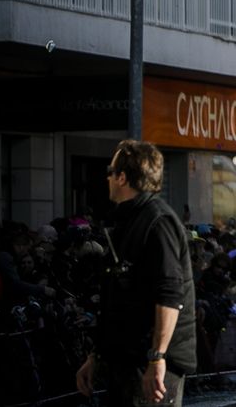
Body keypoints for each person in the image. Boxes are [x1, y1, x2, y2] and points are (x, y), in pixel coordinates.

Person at [76, 140, 196, 407]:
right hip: (127, 360)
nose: (106, 177)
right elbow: (116, 299)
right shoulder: (129, 220)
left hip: (148, 364)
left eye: (110, 170)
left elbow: (169, 294)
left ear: (121, 177)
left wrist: (157, 357)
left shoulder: (156, 221)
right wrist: (96, 356)